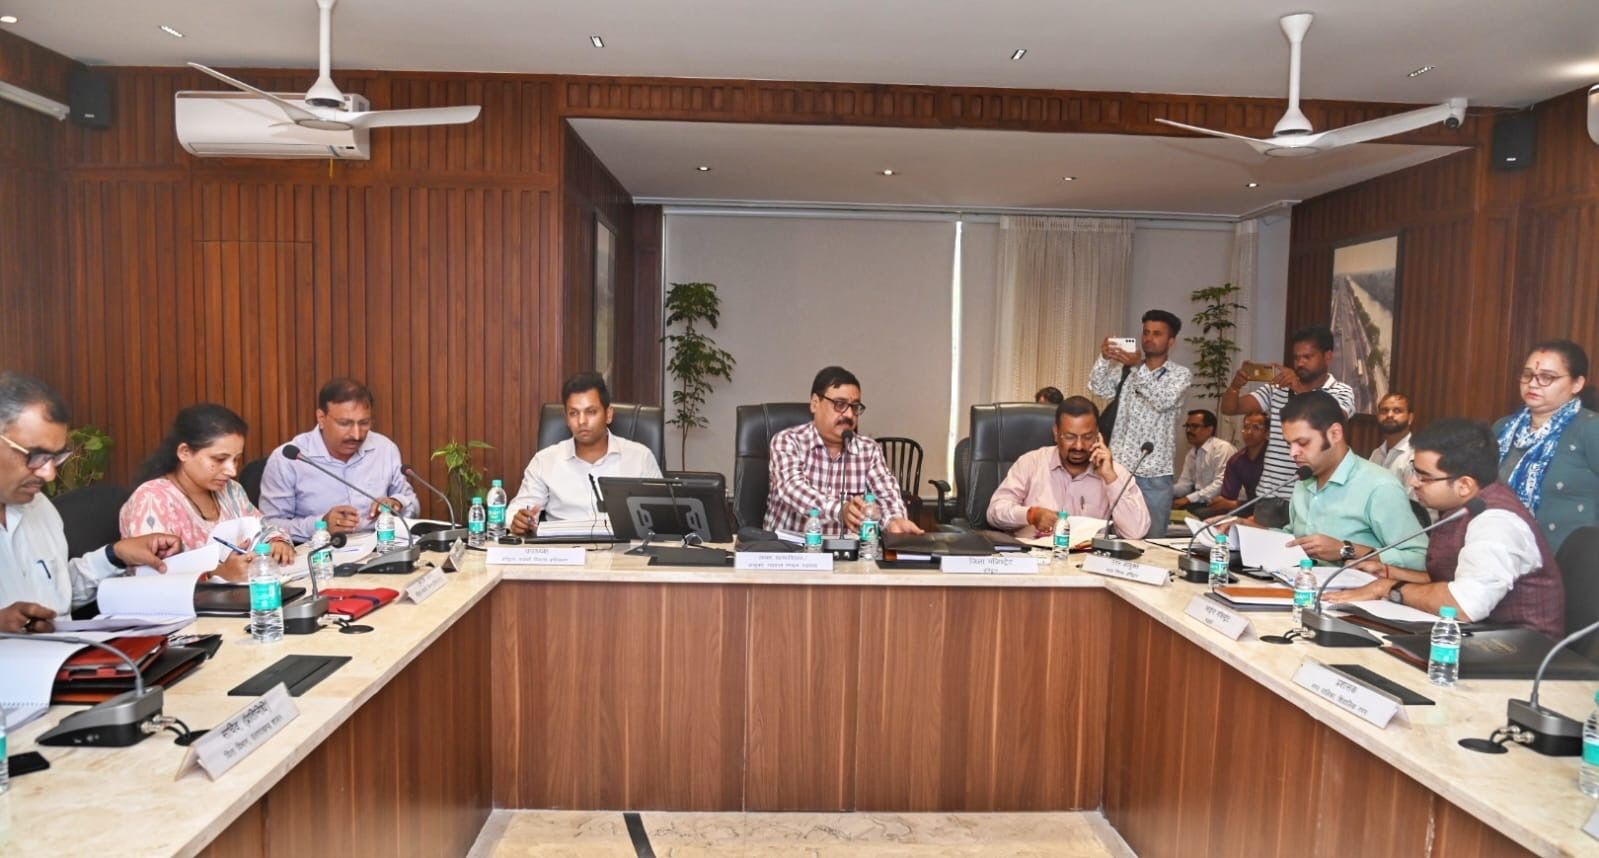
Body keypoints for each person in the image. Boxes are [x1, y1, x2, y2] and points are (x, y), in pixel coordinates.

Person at [1326, 419, 1565, 638]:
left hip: (1518, 653)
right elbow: (1453, 579)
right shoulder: (1461, 506)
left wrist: (1388, 588)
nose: (1412, 482)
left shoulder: (1497, 523)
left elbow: (1463, 605)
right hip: (1475, 636)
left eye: (1424, 477)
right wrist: (1389, 572)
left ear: (1464, 485)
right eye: (1414, 470)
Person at [0, 371, 178, 629]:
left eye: (55, 458)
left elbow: (57, 597)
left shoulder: (39, 507)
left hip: (66, 652)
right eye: (35, 455)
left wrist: (115, 556)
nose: (49, 474)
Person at [120, 403, 294, 582]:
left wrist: (277, 542)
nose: (232, 471)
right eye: (219, 459)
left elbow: (265, 528)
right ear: (184, 452)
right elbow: (152, 581)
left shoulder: (231, 490)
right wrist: (216, 574)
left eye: (236, 460)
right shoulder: (152, 499)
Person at [765, 366, 924, 537]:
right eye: (839, 404)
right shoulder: (788, 441)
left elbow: (887, 496)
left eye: (855, 407)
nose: (849, 414)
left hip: (846, 551)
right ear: (815, 403)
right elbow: (793, 488)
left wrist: (894, 521)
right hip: (789, 549)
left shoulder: (869, 450)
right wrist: (841, 509)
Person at [1277, 391, 1427, 567]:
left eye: (1303, 443)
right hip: (1297, 578)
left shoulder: (1380, 486)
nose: (1293, 453)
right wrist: (1258, 533)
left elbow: (1420, 558)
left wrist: (1346, 550)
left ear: (1335, 434)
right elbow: (1295, 535)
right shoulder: (1304, 479)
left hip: (1351, 583)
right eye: (1289, 444)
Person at [259, 378, 420, 541]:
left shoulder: (384, 449)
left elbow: (412, 503)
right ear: (321, 418)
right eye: (345, 423)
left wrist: (396, 502)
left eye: (364, 423)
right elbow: (269, 525)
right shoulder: (288, 459)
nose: (356, 435)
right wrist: (321, 524)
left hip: (380, 544)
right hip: (320, 549)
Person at [508, 372, 662, 534]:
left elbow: (662, 514)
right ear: (566, 419)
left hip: (623, 546)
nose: (581, 421)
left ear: (608, 414)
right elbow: (517, 511)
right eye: (573, 413)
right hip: (563, 546)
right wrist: (519, 520)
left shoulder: (640, 457)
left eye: (591, 412)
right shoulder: (544, 461)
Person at [1088, 309, 1192, 536]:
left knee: (1152, 541)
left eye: (1157, 334)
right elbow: (1098, 388)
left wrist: (1137, 368)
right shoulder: (1127, 370)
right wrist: (1104, 358)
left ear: (1171, 341)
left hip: (1153, 474)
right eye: (1146, 332)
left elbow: (1162, 400)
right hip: (1118, 469)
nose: (1149, 338)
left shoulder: (1180, 375)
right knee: (1111, 536)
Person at [1220, 325, 1355, 499]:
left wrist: (1298, 388)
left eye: (1307, 357)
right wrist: (1235, 386)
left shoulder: (1341, 391)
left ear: (1327, 356)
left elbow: (1329, 420)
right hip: (1269, 495)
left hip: (1311, 496)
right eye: (1296, 358)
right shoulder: (1278, 388)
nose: (1300, 363)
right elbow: (1230, 408)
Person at [987, 396, 1152, 538]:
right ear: (1056, 433)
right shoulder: (1031, 463)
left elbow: (1136, 532)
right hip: (1033, 556)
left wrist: (1110, 479)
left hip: (1088, 560)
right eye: (1070, 437)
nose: (1079, 446)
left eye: (1087, 437)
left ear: (1098, 435)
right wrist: (1031, 515)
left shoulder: (1114, 472)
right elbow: (995, 512)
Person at [1493, 340, 1599, 554]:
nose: (1533, 384)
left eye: (1547, 377)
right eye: (1527, 375)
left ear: (1577, 384)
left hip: (1570, 558)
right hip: (1502, 551)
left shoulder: (1590, 428)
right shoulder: (1503, 428)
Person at [1172, 409, 1235, 518]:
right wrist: (1164, 491)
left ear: (1210, 429)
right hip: (1200, 500)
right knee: (1165, 502)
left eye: (1194, 426)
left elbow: (1220, 485)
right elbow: (1185, 485)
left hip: (1219, 502)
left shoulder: (1222, 448)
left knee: (1196, 513)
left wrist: (1188, 499)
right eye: (1187, 426)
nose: (1189, 430)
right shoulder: (1191, 454)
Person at [1209, 412, 1269, 514]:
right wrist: (1221, 503)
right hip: (1248, 508)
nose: (1249, 432)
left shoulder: (1273, 458)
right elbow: (1227, 498)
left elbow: (1274, 500)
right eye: (1246, 427)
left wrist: (1233, 504)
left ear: (1267, 432)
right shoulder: (1236, 460)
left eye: (1256, 427)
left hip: (1273, 509)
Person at [1369, 392, 1416, 482]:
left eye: (1397, 411)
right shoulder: (1376, 454)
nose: (1389, 415)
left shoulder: (1415, 454)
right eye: (1384, 411)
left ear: (1410, 418)